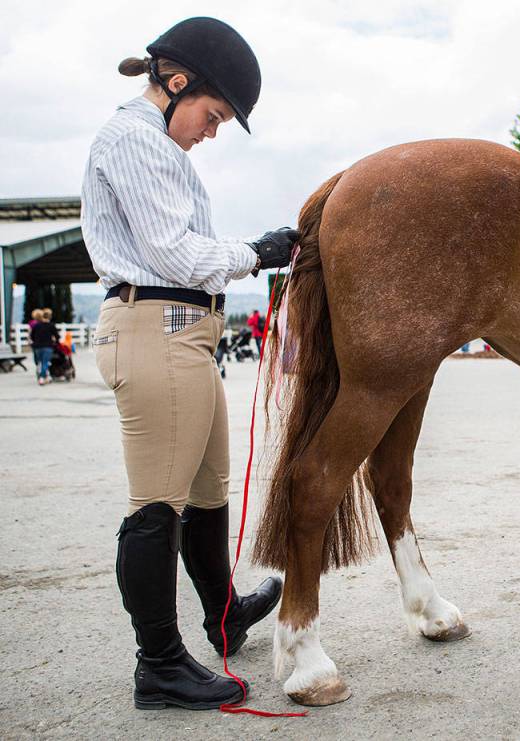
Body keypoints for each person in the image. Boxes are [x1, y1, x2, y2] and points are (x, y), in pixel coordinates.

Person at [81, 17, 299, 711]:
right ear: (177, 83)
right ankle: (160, 665)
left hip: (188, 333)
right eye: (215, 113)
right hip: (155, 328)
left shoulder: (159, 147)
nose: (213, 130)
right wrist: (259, 252)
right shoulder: (135, 141)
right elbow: (177, 253)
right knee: (156, 507)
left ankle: (224, 611)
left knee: (208, 491)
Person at [29, 307, 59, 385]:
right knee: (45, 362)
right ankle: (42, 378)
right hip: (47, 346)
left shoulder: (36, 325)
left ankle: (45, 376)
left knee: (40, 362)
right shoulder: (51, 325)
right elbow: (57, 336)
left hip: (37, 347)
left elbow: (32, 336)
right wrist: (55, 342)